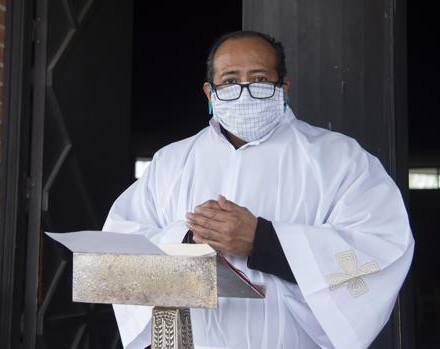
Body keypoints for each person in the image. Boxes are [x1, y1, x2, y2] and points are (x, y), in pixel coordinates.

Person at [102, 31, 414, 349]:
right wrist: (187, 238)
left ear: (284, 87)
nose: (244, 91)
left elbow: (382, 246)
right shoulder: (171, 162)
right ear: (210, 93)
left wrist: (263, 241)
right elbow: (115, 261)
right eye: (229, 80)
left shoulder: (339, 159)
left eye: (260, 78)